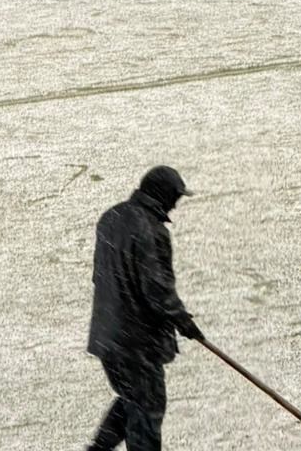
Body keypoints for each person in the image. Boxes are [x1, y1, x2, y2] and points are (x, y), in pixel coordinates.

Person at [85, 165, 205, 451]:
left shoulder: (110, 218)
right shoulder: (153, 230)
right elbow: (156, 288)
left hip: (107, 336)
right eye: (176, 196)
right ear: (162, 194)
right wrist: (183, 320)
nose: (176, 204)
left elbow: (99, 276)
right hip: (137, 341)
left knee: (133, 399)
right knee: (148, 407)